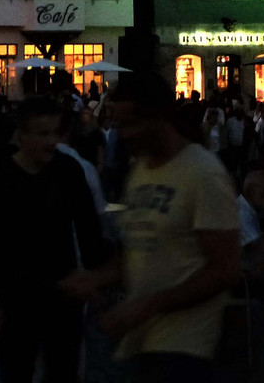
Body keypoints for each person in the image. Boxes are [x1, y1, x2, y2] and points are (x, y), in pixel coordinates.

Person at [63, 73, 240, 383]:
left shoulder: (203, 173)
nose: (124, 134)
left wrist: (151, 304)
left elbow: (225, 268)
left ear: (159, 117)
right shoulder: (141, 171)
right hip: (143, 343)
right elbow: (139, 247)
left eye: (131, 123)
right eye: (119, 124)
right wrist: (97, 277)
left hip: (187, 349)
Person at [0, 97, 106, 383]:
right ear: (22, 135)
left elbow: (88, 229)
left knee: (63, 371)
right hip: (15, 298)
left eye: (55, 133)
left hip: (62, 294)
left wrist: (95, 277)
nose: (52, 141)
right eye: (43, 133)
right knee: (15, 370)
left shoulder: (68, 171)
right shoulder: (0, 176)